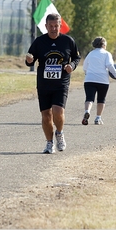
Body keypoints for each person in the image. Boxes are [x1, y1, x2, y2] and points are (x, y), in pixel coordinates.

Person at [25, 13, 81, 154]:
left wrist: (72, 66)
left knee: (58, 111)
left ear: (60, 26)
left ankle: (60, 133)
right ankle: (49, 143)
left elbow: (76, 57)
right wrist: (29, 60)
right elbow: (30, 58)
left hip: (61, 83)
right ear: (46, 26)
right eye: (51, 26)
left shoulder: (68, 41)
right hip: (44, 84)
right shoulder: (39, 41)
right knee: (46, 116)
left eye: (56, 26)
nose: (54, 29)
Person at [82, 36, 116, 125]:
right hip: (102, 80)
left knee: (89, 98)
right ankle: (98, 118)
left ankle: (87, 111)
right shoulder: (107, 54)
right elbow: (110, 65)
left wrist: (88, 74)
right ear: (104, 44)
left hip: (89, 79)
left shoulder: (90, 54)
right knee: (101, 99)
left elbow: (85, 67)